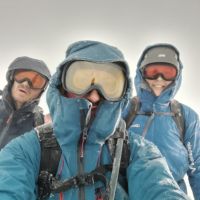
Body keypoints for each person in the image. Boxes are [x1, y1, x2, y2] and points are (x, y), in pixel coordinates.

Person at [0, 40, 189, 200]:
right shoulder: (26, 150)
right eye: (80, 80)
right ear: (61, 86)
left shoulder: (137, 152)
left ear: (122, 94)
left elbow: (160, 189)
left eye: (110, 85)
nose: (94, 96)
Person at [123, 43, 200, 199]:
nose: (159, 79)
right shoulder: (126, 111)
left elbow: (197, 168)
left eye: (168, 73)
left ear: (176, 76)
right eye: (152, 72)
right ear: (142, 73)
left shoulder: (185, 116)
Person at [0, 56, 51, 149]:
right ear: (12, 79)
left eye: (37, 82)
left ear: (40, 92)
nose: (25, 84)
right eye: (21, 76)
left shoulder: (41, 127)